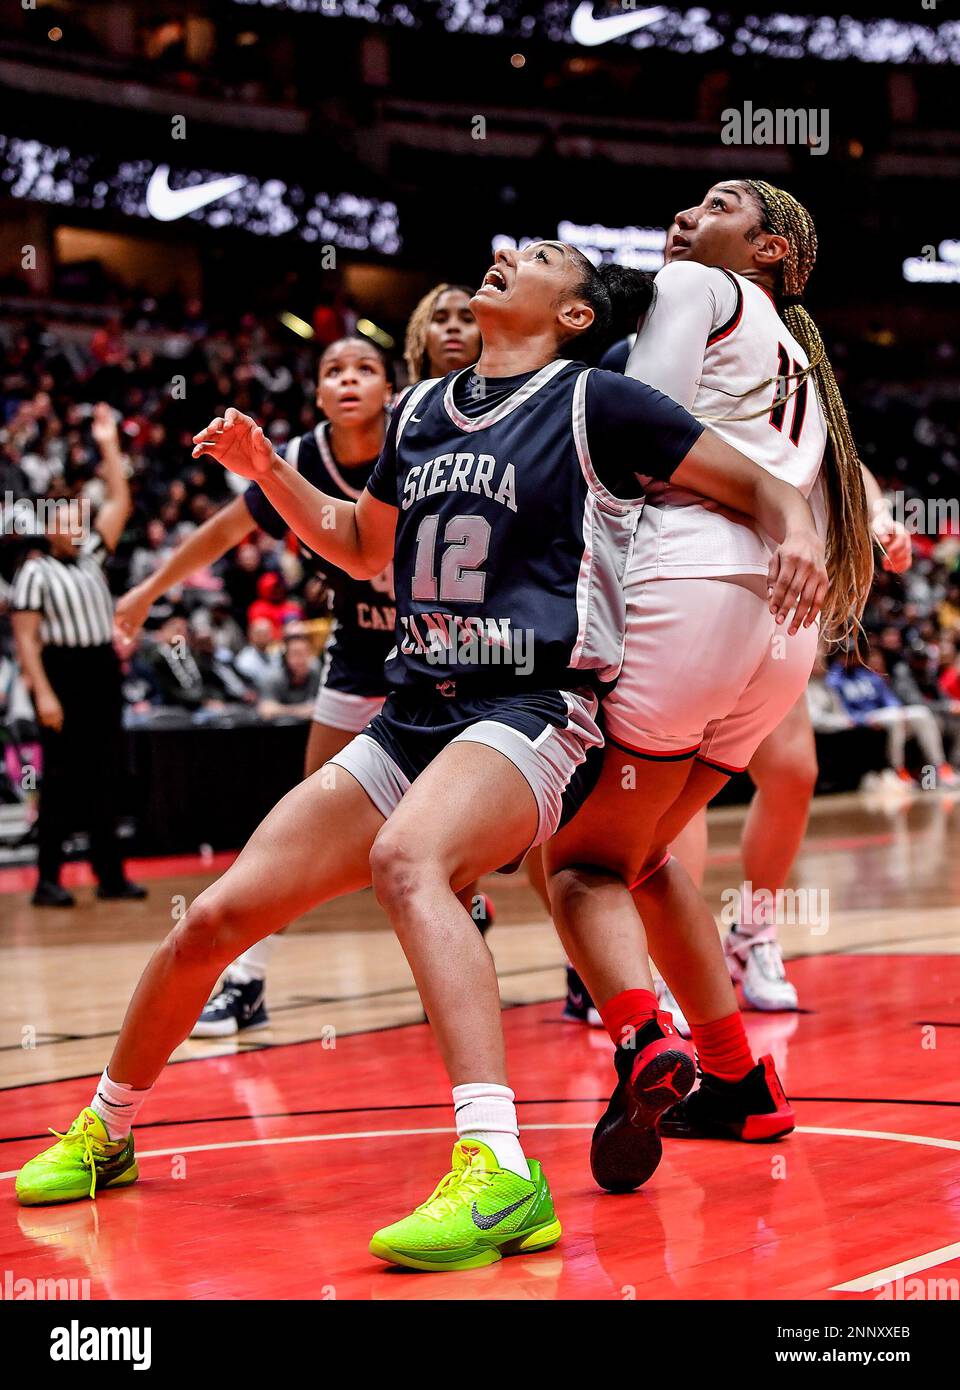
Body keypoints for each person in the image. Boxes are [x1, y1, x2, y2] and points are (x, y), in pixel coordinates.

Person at [15, 244, 826, 1276]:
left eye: (531, 258)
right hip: (413, 710)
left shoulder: (598, 402)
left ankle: (498, 1167)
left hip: (536, 707)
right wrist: (271, 474)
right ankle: (108, 1127)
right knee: (220, 913)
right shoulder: (422, 410)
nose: (499, 259)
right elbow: (364, 547)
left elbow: (758, 485)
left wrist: (797, 524)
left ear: (575, 314)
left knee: (410, 860)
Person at [542, 181, 871, 1195]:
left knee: (572, 860)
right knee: (641, 860)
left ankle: (641, 1041)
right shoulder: (801, 361)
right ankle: (737, 1081)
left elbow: (640, 436)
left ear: (767, 247)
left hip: (689, 586)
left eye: (719, 202)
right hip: (778, 631)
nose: (688, 214)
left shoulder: (695, 285)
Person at [10, 404, 146, 907]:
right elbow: (26, 639)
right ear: (49, 526)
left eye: (77, 521)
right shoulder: (34, 571)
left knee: (106, 775)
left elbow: (120, 499)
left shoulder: (92, 556)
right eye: (66, 521)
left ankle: (109, 875)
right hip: (63, 675)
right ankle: (49, 880)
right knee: (63, 781)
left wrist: (109, 444)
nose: (75, 528)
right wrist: (42, 693)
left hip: (101, 670)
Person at [827, 645, 952, 784]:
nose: (853, 658)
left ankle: (940, 765)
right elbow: (840, 709)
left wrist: (898, 709)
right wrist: (861, 720)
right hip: (864, 718)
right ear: (839, 657)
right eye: (848, 654)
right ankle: (897, 769)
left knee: (921, 713)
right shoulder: (834, 679)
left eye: (855, 654)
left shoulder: (867, 673)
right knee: (894, 719)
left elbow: (887, 698)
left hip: (884, 714)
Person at [257, 631, 320, 720]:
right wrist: (299, 710)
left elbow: (327, 707)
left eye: (305, 653)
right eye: (296, 654)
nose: (301, 659)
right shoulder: (274, 678)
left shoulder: (316, 674)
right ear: (286, 657)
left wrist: (280, 709)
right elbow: (265, 710)